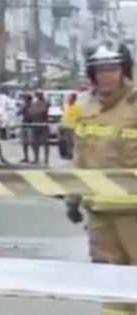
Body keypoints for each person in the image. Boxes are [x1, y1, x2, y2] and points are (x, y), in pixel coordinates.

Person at [67, 45, 137, 315]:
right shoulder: (87, 107)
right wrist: (72, 197)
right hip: (98, 212)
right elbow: (81, 158)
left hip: (133, 213)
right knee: (110, 282)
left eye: (112, 69)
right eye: (100, 70)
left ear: (124, 71)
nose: (106, 76)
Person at [24, 91, 51, 164]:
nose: (38, 96)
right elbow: (31, 112)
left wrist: (36, 112)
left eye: (40, 95)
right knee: (34, 142)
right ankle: (36, 158)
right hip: (35, 124)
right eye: (37, 95)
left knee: (45, 142)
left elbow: (42, 111)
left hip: (43, 124)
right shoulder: (34, 103)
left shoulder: (46, 102)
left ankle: (46, 159)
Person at [60, 91, 82, 161]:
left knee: (70, 141)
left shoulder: (77, 107)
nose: (69, 99)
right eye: (68, 98)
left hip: (72, 126)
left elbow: (78, 117)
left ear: (74, 99)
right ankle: (66, 153)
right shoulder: (66, 106)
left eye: (70, 98)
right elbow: (63, 112)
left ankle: (70, 154)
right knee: (65, 141)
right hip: (64, 125)